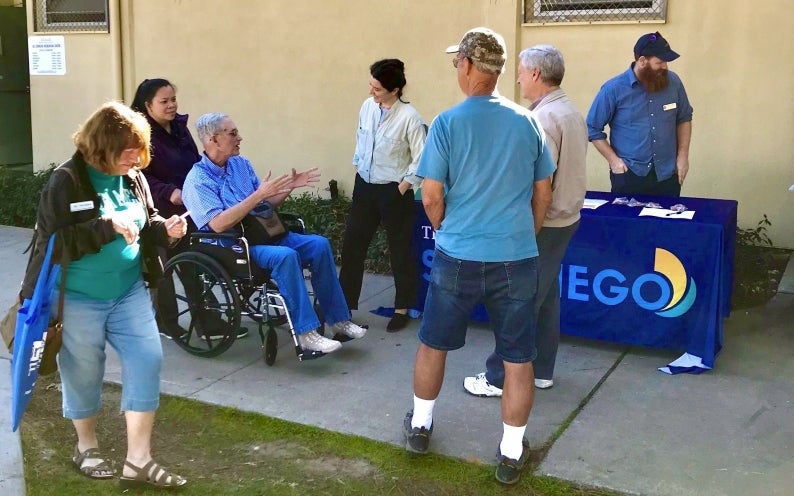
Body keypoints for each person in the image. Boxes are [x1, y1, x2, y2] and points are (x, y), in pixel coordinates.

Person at [402, 28, 555, 485]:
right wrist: (527, 232)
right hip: (516, 256)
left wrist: (448, 227)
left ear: (468, 65)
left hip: (458, 254)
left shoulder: (448, 123)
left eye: (457, 62)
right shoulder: (528, 121)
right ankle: (510, 454)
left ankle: (421, 426)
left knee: (433, 343)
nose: (456, 69)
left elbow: (430, 195)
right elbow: (542, 191)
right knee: (517, 357)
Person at [19, 101, 188, 488]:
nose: (138, 159)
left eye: (141, 150)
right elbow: (53, 244)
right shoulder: (66, 181)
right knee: (84, 370)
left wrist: (166, 229)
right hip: (77, 295)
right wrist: (104, 226)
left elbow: (146, 223)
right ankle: (86, 446)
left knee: (148, 358)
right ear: (102, 146)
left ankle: (138, 461)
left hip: (128, 289)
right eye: (129, 151)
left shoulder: (133, 178)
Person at [182, 113, 367, 354]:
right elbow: (217, 224)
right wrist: (257, 195)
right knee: (285, 256)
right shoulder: (197, 180)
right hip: (234, 245)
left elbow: (264, 205)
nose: (240, 138)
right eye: (233, 133)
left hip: (263, 233)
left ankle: (339, 321)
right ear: (213, 140)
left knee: (319, 245)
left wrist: (289, 186)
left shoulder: (241, 164)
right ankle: (307, 334)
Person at [463, 44, 588, 397]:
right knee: (546, 297)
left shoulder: (544, 119)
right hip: (564, 219)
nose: (516, 77)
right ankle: (542, 370)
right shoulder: (568, 110)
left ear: (535, 73)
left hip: (545, 222)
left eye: (520, 71)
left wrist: (524, 227)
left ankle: (497, 377)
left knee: (521, 302)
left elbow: (539, 184)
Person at [130, 78, 247, 340]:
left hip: (189, 204)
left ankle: (209, 320)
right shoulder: (139, 135)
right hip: (157, 211)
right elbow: (139, 174)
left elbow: (196, 163)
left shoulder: (180, 128)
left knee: (194, 264)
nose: (171, 105)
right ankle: (167, 323)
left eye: (173, 100)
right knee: (164, 271)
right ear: (148, 105)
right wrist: (168, 192)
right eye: (164, 101)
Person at [339, 59, 426, 332]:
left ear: (396, 89)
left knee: (400, 250)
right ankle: (344, 307)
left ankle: (402, 308)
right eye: (371, 85)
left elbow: (422, 158)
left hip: (393, 190)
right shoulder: (367, 108)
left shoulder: (410, 118)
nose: (371, 92)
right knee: (352, 246)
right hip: (365, 185)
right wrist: (357, 163)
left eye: (377, 89)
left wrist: (404, 186)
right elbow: (360, 138)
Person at [586, 31, 693, 197]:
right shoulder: (613, 89)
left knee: (665, 223)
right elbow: (592, 128)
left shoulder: (674, 83)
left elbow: (684, 118)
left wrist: (683, 156)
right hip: (629, 175)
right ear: (642, 61)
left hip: (667, 174)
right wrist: (614, 162)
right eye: (660, 62)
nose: (665, 66)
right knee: (628, 223)